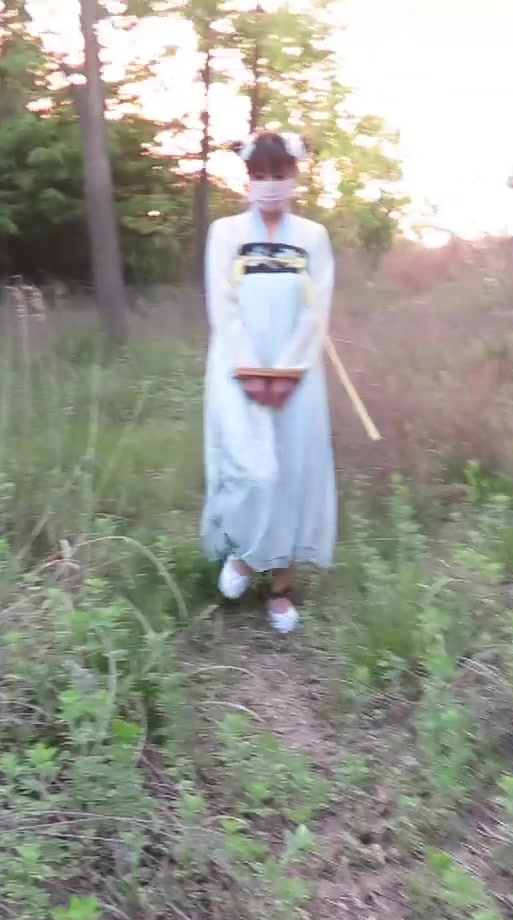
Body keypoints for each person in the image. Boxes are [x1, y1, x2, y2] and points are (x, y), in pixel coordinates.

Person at [201, 131, 337, 634]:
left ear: (294, 176)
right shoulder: (225, 233)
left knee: (294, 471)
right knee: (251, 469)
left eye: (279, 175)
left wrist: (287, 372)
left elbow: (317, 308)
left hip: (298, 375)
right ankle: (244, 556)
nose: (270, 184)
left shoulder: (313, 237)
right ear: (248, 179)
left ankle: (280, 591)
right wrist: (251, 370)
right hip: (236, 370)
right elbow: (222, 304)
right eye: (260, 175)